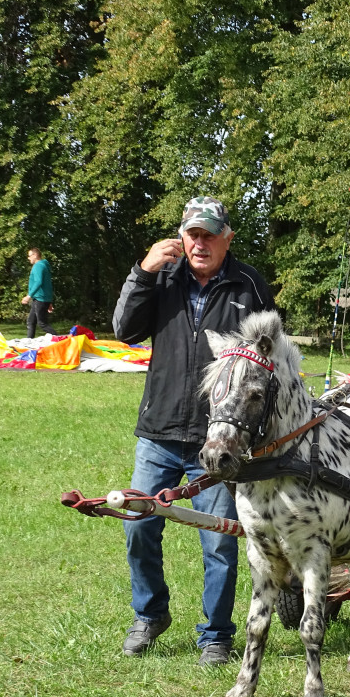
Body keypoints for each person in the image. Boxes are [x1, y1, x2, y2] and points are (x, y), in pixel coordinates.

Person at [112, 196, 276, 666]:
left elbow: (268, 358)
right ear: (181, 237)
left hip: (221, 437)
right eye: (192, 235)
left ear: (226, 238)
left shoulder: (248, 286)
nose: (199, 244)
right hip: (159, 432)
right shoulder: (160, 276)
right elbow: (124, 330)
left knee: (220, 540)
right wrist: (143, 272)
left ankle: (216, 636)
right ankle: (150, 615)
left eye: (209, 235)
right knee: (139, 526)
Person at [22, 248, 57, 338]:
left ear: (35, 255)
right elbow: (47, 284)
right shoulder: (44, 265)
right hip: (41, 298)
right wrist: (49, 301)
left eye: (29, 256)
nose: (28, 258)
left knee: (42, 323)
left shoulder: (38, 266)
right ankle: (29, 342)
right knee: (31, 322)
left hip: (40, 298)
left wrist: (29, 296)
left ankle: (60, 339)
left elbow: (38, 282)